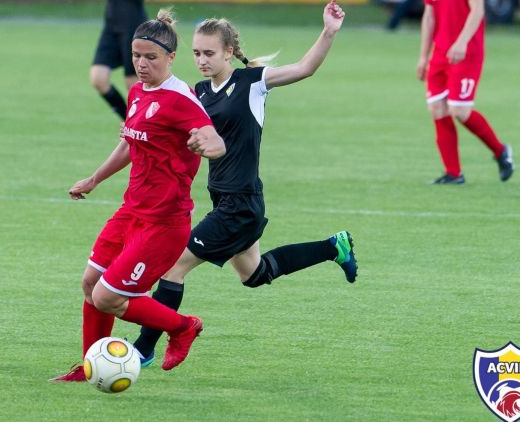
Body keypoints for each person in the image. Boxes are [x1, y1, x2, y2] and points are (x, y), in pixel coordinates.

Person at [132, 0, 358, 367]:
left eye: (209, 53)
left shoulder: (252, 82)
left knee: (173, 266)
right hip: (225, 201)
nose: (202, 60)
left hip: (241, 203)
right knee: (255, 275)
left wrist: (329, 31)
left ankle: (144, 348)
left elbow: (304, 68)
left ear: (229, 52)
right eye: (196, 53)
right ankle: (334, 247)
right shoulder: (199, 93)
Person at [51, 9, 227, 382]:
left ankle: (183, 326)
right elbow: (131, 144)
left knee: (107, 298)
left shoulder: (181, 100)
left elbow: (210, 135)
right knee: (89, 283)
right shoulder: (137, 92)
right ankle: (90, 366)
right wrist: (94, 179)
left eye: (151, 57)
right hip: (131, 212)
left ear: (171, 58)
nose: (141, 64)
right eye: (136, 56)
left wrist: (211, 145)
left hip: (164, 223)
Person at [417, 0, 514, 184]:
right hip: (440, 53)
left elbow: (477, 11)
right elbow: (429, 16)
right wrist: (423, 57)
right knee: (437, 108)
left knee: (459, 111)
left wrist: (462, 42)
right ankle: (453, 173)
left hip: (467, 52)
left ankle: (500, 151)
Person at [90, 0, 147, 120]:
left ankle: (143, 130)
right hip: (111, 22)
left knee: (133, 83)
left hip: (132, 22)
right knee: (98, 78)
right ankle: (129, 123)